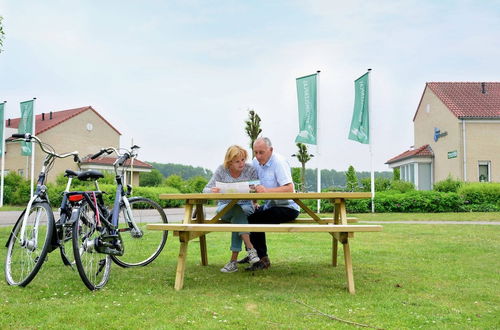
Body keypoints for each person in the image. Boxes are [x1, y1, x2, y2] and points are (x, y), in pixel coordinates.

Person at [238, 137, 300, 271]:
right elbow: (254, 184)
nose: (258, 156)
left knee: (256, 218)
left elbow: (290, 189)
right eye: (256, 152)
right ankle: (252, 254)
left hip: (287, 207)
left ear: (271, 150)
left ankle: (263, 260)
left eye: (261, 152)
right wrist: (253, 201)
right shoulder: (255, 162)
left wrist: (267, 191)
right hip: (270, 206)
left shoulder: (279, 163)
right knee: (247, 214)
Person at [203, 145, 260, 273]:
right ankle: (251, 249)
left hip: (246, 207)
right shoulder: (221, 170)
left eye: (243, 160)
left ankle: (233, 262)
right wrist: (213, 191)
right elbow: (205, 189)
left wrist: (254, 192)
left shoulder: (250, 169)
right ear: (230, 162)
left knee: (239, 214)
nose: (242, 164)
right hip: (225, 208)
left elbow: (257, 188)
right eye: (237, 161)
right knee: (237, 213)